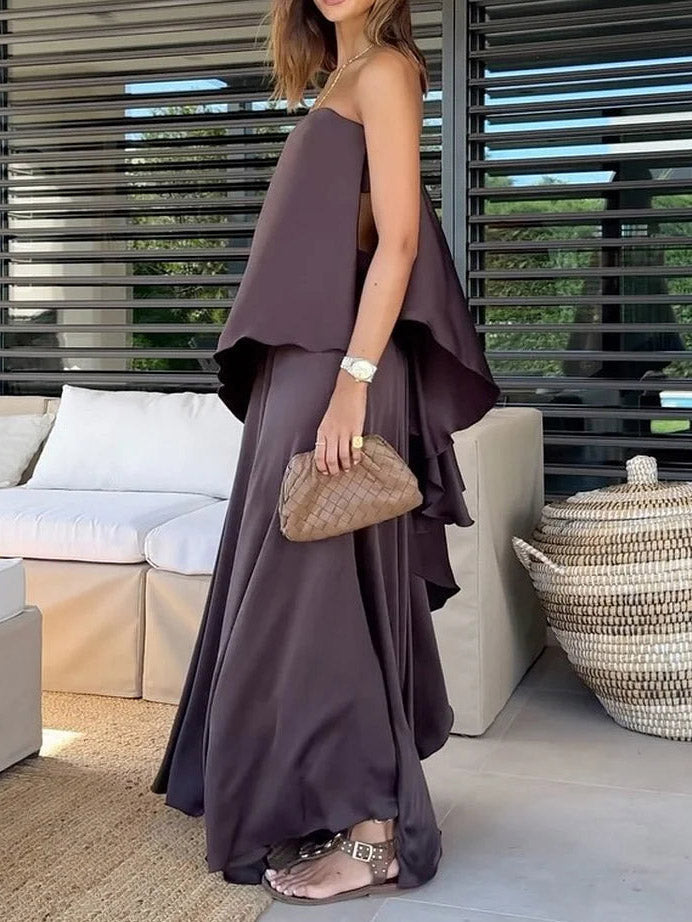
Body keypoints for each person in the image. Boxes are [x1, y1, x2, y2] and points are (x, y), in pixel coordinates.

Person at [150, 0, 499, 908]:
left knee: (321, 594)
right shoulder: (338, 81)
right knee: (301, 588)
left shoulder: (385, 70)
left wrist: (353, 381)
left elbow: (400, 242)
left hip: (339, 366)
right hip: (300, 366)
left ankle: (377, 835)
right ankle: (307, 795)